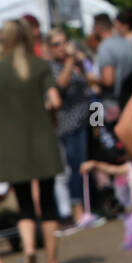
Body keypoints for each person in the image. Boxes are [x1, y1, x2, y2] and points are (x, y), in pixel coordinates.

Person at [0, 20, 66, 263]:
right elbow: (56, 99)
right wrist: (51, 115)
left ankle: (29, 251)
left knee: (25, 203)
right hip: (43, 141)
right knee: (48, 202)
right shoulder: (40, 65)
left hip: (12, 143)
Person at [48, 29, 102, 232]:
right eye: (56, 44)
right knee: (73, 169)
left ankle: (88, 209)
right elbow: (59, 86)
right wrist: (70, 60)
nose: (61, 47)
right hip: (67, 125)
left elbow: (95, 81)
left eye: (63, 42)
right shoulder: (51, 67)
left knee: (86, 166)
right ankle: (77, 213)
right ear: (49, 48)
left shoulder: (76, 62)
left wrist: (81, 59)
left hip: (87, 121)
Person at [93, 10, 132, 118]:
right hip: (128, 100)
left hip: (110, 103)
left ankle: (97, 131)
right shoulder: (128, 43)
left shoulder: (106, 46)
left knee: (104, 132)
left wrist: (89, 79)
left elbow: (108, 80)